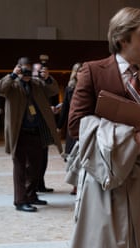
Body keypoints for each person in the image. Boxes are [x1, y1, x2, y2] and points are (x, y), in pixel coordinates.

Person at [66, 7, 140, 248]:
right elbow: (75, 124)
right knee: (102, 246)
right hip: (104, 173)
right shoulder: (93, 71)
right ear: (122, 39)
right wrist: (121, 138)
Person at [0, 57, 63, 212]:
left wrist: (47, 78)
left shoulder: (37, 84)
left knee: (35, 166)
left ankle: (31, 195)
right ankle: (20, 201)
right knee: (19, 167)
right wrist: (12, 75)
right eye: (23, 69)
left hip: (36, 132)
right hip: (19, 132)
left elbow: (53, 90)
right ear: (18, 68)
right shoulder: (12, 85)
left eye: (28, 70)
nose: (26, 73)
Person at [57, 62, 82, 195]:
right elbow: (65, 108)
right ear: (74, 73)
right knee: (72, 157)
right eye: (78, 71)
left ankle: (81, 185)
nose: (80, 73)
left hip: (85, 126)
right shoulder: (70, 88)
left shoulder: (89, 86)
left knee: (83, 157)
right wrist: (59, 125)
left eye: (82, 71)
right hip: (72, 126)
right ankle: (74, 185)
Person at [32, 62, 56, 193]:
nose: (39, 74)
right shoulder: (28, 84)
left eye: (41, 71)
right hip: (32, 125)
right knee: (33, 159)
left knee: (43, 158)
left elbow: (54, 90)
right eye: (37, 71)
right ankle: (32, 186)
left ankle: (40, 184)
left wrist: (47, 78)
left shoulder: (45, 83)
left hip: (44, 125)